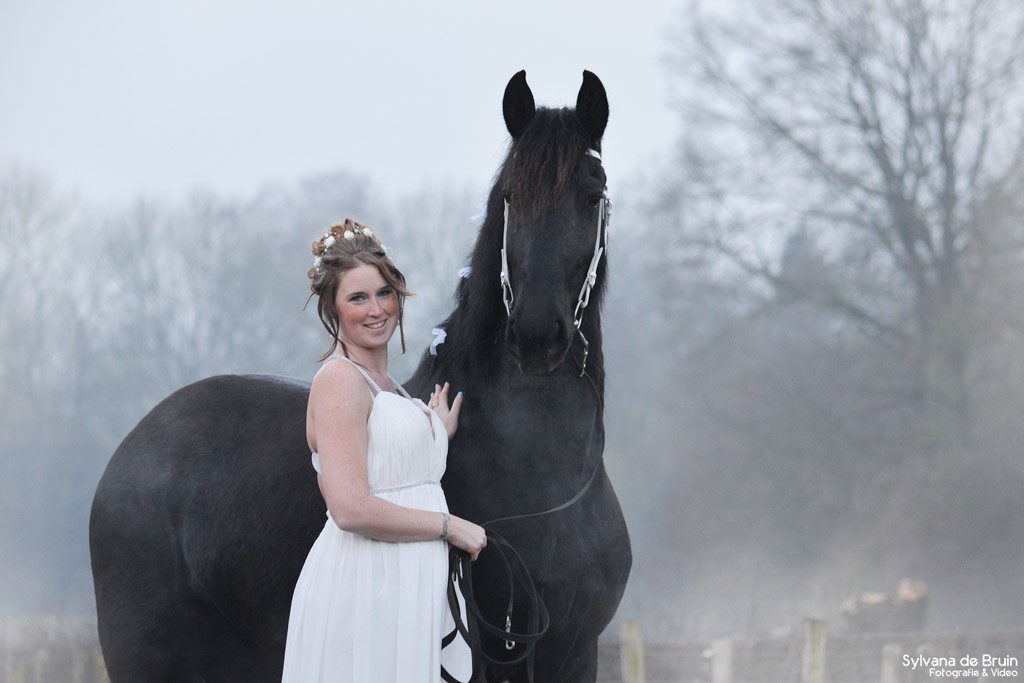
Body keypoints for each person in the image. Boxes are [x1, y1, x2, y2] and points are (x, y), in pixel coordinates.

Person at [281, 218, 486, 682]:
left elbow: (392, 469)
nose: (377, 310)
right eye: (357, 298)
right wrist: (449, 527)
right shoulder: (339, 381)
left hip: (410, 584)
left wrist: (434, 433)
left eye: (384, 293)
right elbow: (350, 507)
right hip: (365, 587)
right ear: (332, 309)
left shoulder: (389, 387)